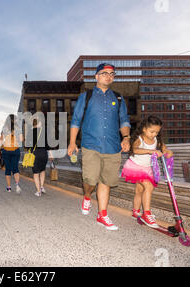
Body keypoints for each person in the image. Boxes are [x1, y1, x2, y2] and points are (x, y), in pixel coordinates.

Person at [68, 63, 131, 231]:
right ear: (96, 76)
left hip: (112, 146)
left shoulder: (118, 98)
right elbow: (76, 120)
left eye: (112, 74)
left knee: (105, 181)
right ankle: (87, 196)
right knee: (90, 179)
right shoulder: (86, 96)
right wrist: (72, 142)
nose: (108, 76)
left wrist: (126, 137)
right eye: (104, 73)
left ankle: (102, 215)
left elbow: (124, 120)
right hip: (91, 145)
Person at [121, 115, 173, 228]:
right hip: (136, 167)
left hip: (147, 169)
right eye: (152, 131)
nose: (154, 134)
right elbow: (135, 150)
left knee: (140, 190)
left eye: (156, 132)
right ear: (144, 129)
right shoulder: (139, 139)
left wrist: (168, 152)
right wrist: (151, 151)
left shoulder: (156, 140)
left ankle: (135, 211)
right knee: (148, 187)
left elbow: (164, 149)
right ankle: (146, 214)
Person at [26, 118, 53, 197]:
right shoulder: (43, 132)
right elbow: (48, 145)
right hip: (44, 153)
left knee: (35, 173)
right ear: (38, 123)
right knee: (42, 170)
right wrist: (51, 155)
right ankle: (41, 187)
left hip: (35, 154)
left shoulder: (30, 132)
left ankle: (38, 192)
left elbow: (27, 146)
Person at [0, 114, 23, 193]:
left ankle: (9, 187)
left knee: (8, 169)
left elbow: (1, 141)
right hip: (15, 150)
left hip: (6, 150)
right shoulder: (18, 128)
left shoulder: (4, 128)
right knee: (15, 168)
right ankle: (17, 185)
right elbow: (21, 140)